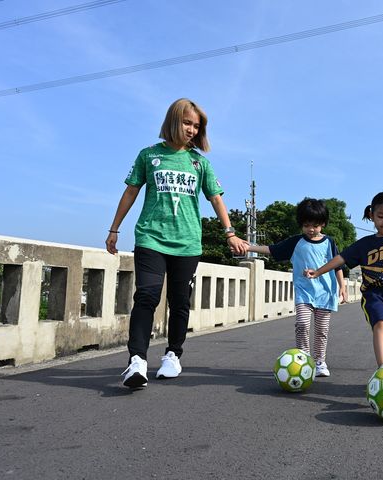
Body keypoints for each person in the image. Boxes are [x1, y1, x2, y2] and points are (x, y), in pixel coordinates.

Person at [106, 98, 247, 389]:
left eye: (197, 126)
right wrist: (114, 229)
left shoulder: (199, 162)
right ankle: (137, 361)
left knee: (180, 301)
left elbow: (216, 198)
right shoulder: (148, 156)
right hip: (151, 237)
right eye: (187, 123)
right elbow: (131, 192)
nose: (192, 130)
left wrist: (230, 232)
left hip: (187, 242)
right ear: (173, 121)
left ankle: (173, 354)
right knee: (146, 295)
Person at [305, 192, 383, 368]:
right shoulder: (364, 244)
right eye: (381, 216)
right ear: (372, 216)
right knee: (381, 324)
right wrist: (317, 272)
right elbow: (340, 259)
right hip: (375, 295)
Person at [244, 198, 347, 377]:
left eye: (315, 225)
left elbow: (337, 265)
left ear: (323, 223)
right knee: (302, 324)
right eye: (306, 225)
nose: (311, 229)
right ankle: (304, 359)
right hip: (304, 293)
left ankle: (320, 361)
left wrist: (342, 287)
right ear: (301, 224)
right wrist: (248, 247)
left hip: (325, 293)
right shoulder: (296, 242)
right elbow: (272, 249)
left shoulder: (329, 242)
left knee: (322, 330)